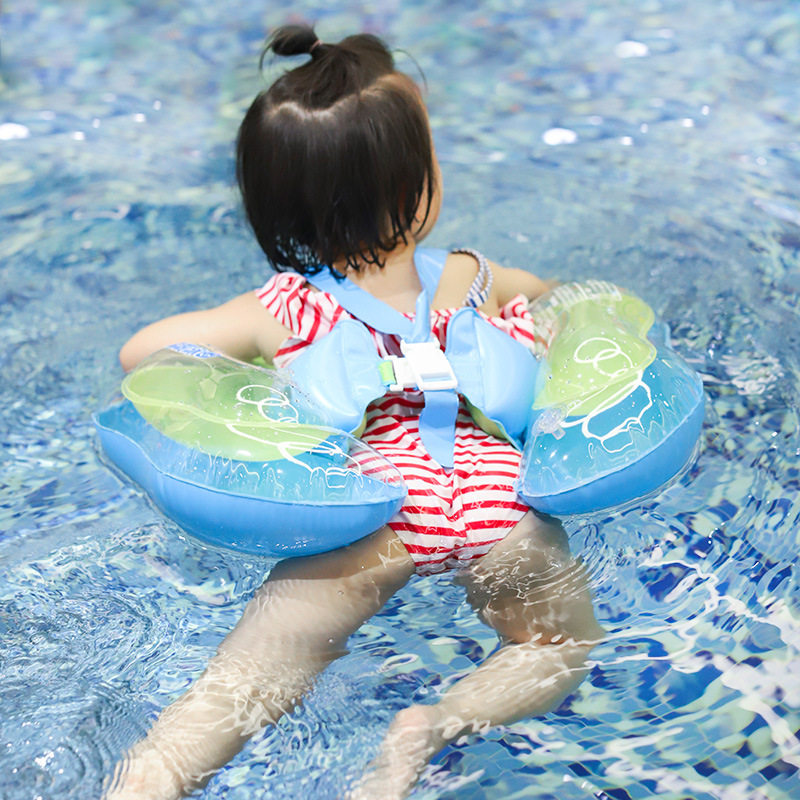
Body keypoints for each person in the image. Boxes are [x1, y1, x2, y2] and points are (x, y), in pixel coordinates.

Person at [105, 24, 603, 800]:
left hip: (375, 516)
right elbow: (559, 303)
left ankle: (145, 784)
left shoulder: (284, 309)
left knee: (231, 693)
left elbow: (142, 352)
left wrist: (254, 370)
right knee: (555, 647)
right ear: (420, 185)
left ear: (275, 205)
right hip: (501, 506)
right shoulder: (476, 277)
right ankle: (432, 726)